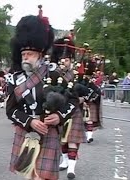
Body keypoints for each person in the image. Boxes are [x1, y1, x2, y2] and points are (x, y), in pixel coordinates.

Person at [6, 5, 77, 180]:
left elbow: (73, 102)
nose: (25, 58)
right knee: (30, 176)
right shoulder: (15, 79)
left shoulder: (54, 74)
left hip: (49, 131)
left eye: (29, 54)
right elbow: (10, 110)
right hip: (27, 132)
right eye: (23, 55)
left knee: (42, 177)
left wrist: (60, 116)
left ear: (40, 54)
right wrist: (30, 121)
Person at [51, 37, 88, 179]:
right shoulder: (53, 75)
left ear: (71, 61)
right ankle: (65, 160)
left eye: (66, 59)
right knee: (62, 139)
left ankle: (71, 168)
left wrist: (83, 97)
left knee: (73, 139)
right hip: (59, 111)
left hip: (74, 110)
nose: (63, 62)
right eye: (61, 59)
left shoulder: (78, 75)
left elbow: (90, 90)